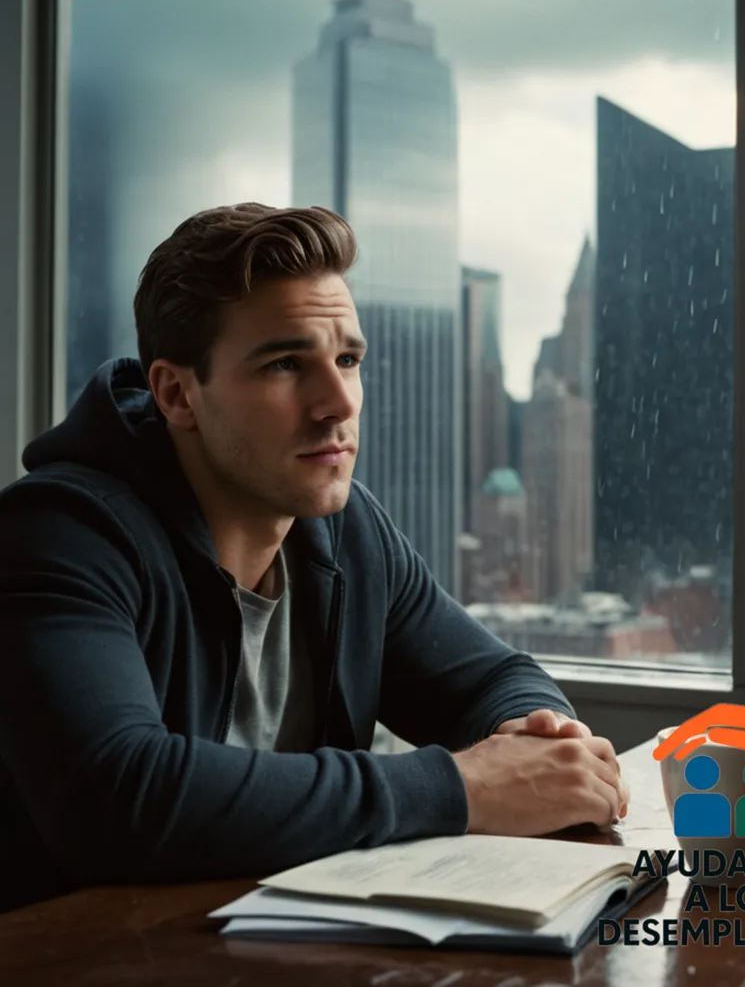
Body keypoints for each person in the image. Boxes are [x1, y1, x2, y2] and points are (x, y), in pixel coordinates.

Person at [0, 203, 627, 913]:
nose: (337, 402)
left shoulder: (348, 527)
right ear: (177, 393)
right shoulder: (61, 533)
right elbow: (116, 797)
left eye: (349, 360)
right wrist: (466, 789)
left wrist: (541, 741)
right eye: (285, 364)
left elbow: (494, 677)